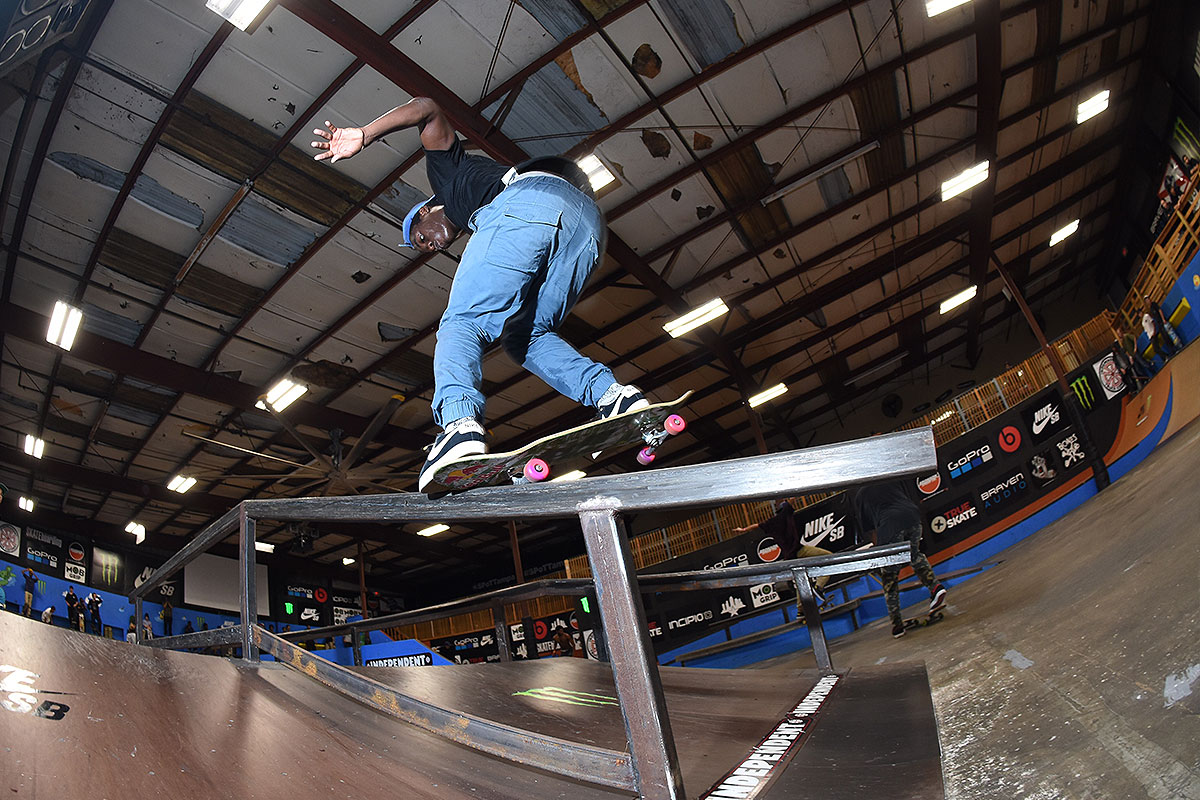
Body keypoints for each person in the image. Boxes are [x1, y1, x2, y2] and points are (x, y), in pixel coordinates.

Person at [312, 98, 647, 490]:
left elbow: (426, 107)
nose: (430, 246)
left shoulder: (445, 174)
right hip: (586, 227)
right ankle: (615, 398)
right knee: (526, 337)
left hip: (527, 203)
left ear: (426, 211)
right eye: (425, 249)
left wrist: (364, 134)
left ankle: (459, 426)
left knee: (461, 323)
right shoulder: (476, 210)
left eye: (421, 238)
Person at [852, 480, 947, 638]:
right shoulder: (891, 478)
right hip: (913, 518)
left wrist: (882, 553)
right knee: (914, 554)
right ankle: (936, 589)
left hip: (890, 525)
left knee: (889, 576)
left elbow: (871, 531)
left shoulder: (860, 495)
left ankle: (897, 625)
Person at [733, 501, 833, 600]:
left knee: (802, 581)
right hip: (800, 550)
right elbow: (789, 503)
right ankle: (818, 587)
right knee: (828, 557)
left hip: (790, 557)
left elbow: (757, 525)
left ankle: (800, 611)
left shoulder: (772, 522)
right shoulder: (786, 514)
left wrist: (744, 529)